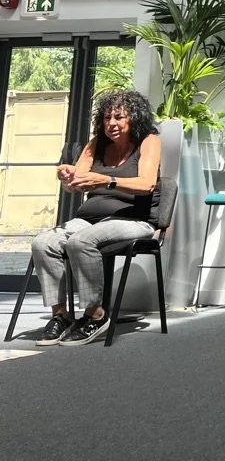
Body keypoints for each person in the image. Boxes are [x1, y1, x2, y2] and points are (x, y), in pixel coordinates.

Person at [31, 90, 161, 347]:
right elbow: (76, 185)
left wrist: (106, 180)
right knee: (42, 242)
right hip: (89, 218)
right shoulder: (96, 144)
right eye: (106, 118)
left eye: (119, 117)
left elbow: (146, 184)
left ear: (134, 118)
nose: (111, 123)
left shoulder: (148, 140)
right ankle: (61, 315)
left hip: (133, 219)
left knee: (80, 242)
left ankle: (95, 313)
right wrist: (68, 178)